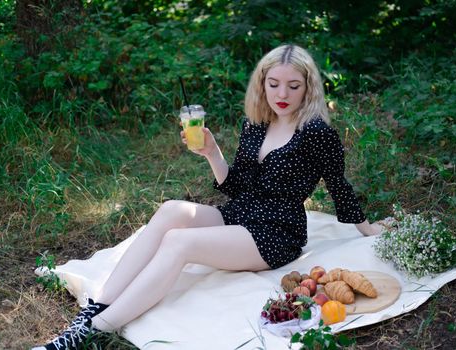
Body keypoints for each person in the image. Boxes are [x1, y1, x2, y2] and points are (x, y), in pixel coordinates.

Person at [32, 44, 382, 350]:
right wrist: (213, 153)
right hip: (241, 212)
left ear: (308, 88)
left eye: (293, 86)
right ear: (262, 83)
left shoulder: (317, 132)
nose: (282, 94)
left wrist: (367, 229)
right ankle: (97, 307)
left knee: (179, 243)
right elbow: (238, 186)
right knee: (172, 211)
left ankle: (90, 333)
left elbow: (339, 184)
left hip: (277, 231)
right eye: (274, 84)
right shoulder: (256, 122)